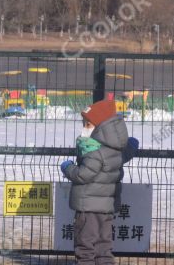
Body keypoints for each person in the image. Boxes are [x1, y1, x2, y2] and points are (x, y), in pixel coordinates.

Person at [60, 98, 139, 265]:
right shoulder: (116, 149)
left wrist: (67, 167)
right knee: (104, 246)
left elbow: (83, 175)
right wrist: (132, 144)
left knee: (85, 246)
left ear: (101, 127)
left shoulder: (95, 151)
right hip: (107, 207)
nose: (84, 129)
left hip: (88, 207)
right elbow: (127, 153)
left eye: (88, 124)